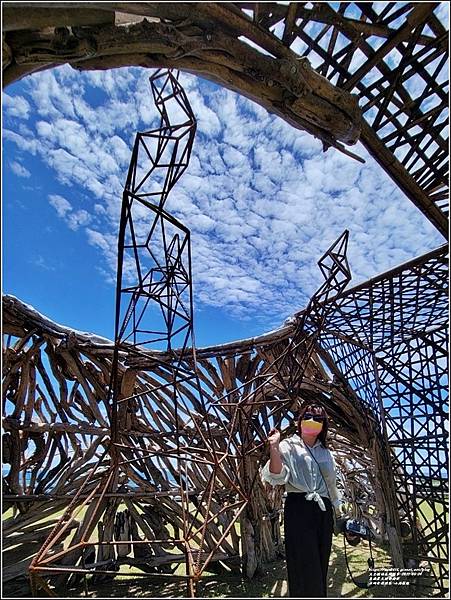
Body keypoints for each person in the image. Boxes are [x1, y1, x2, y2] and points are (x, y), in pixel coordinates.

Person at [261, 403, 358, 597]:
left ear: (323, 426)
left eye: (318, 419)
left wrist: (341, 516)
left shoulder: (325, 452)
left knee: (321, 562)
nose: (313, 421)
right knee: (304, 563)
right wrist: (274, 446)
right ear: (300, 420)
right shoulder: (288, 445)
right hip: (299, 508)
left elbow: (332, 487)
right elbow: (277, 475)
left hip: (323, 511)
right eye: (309, 416)